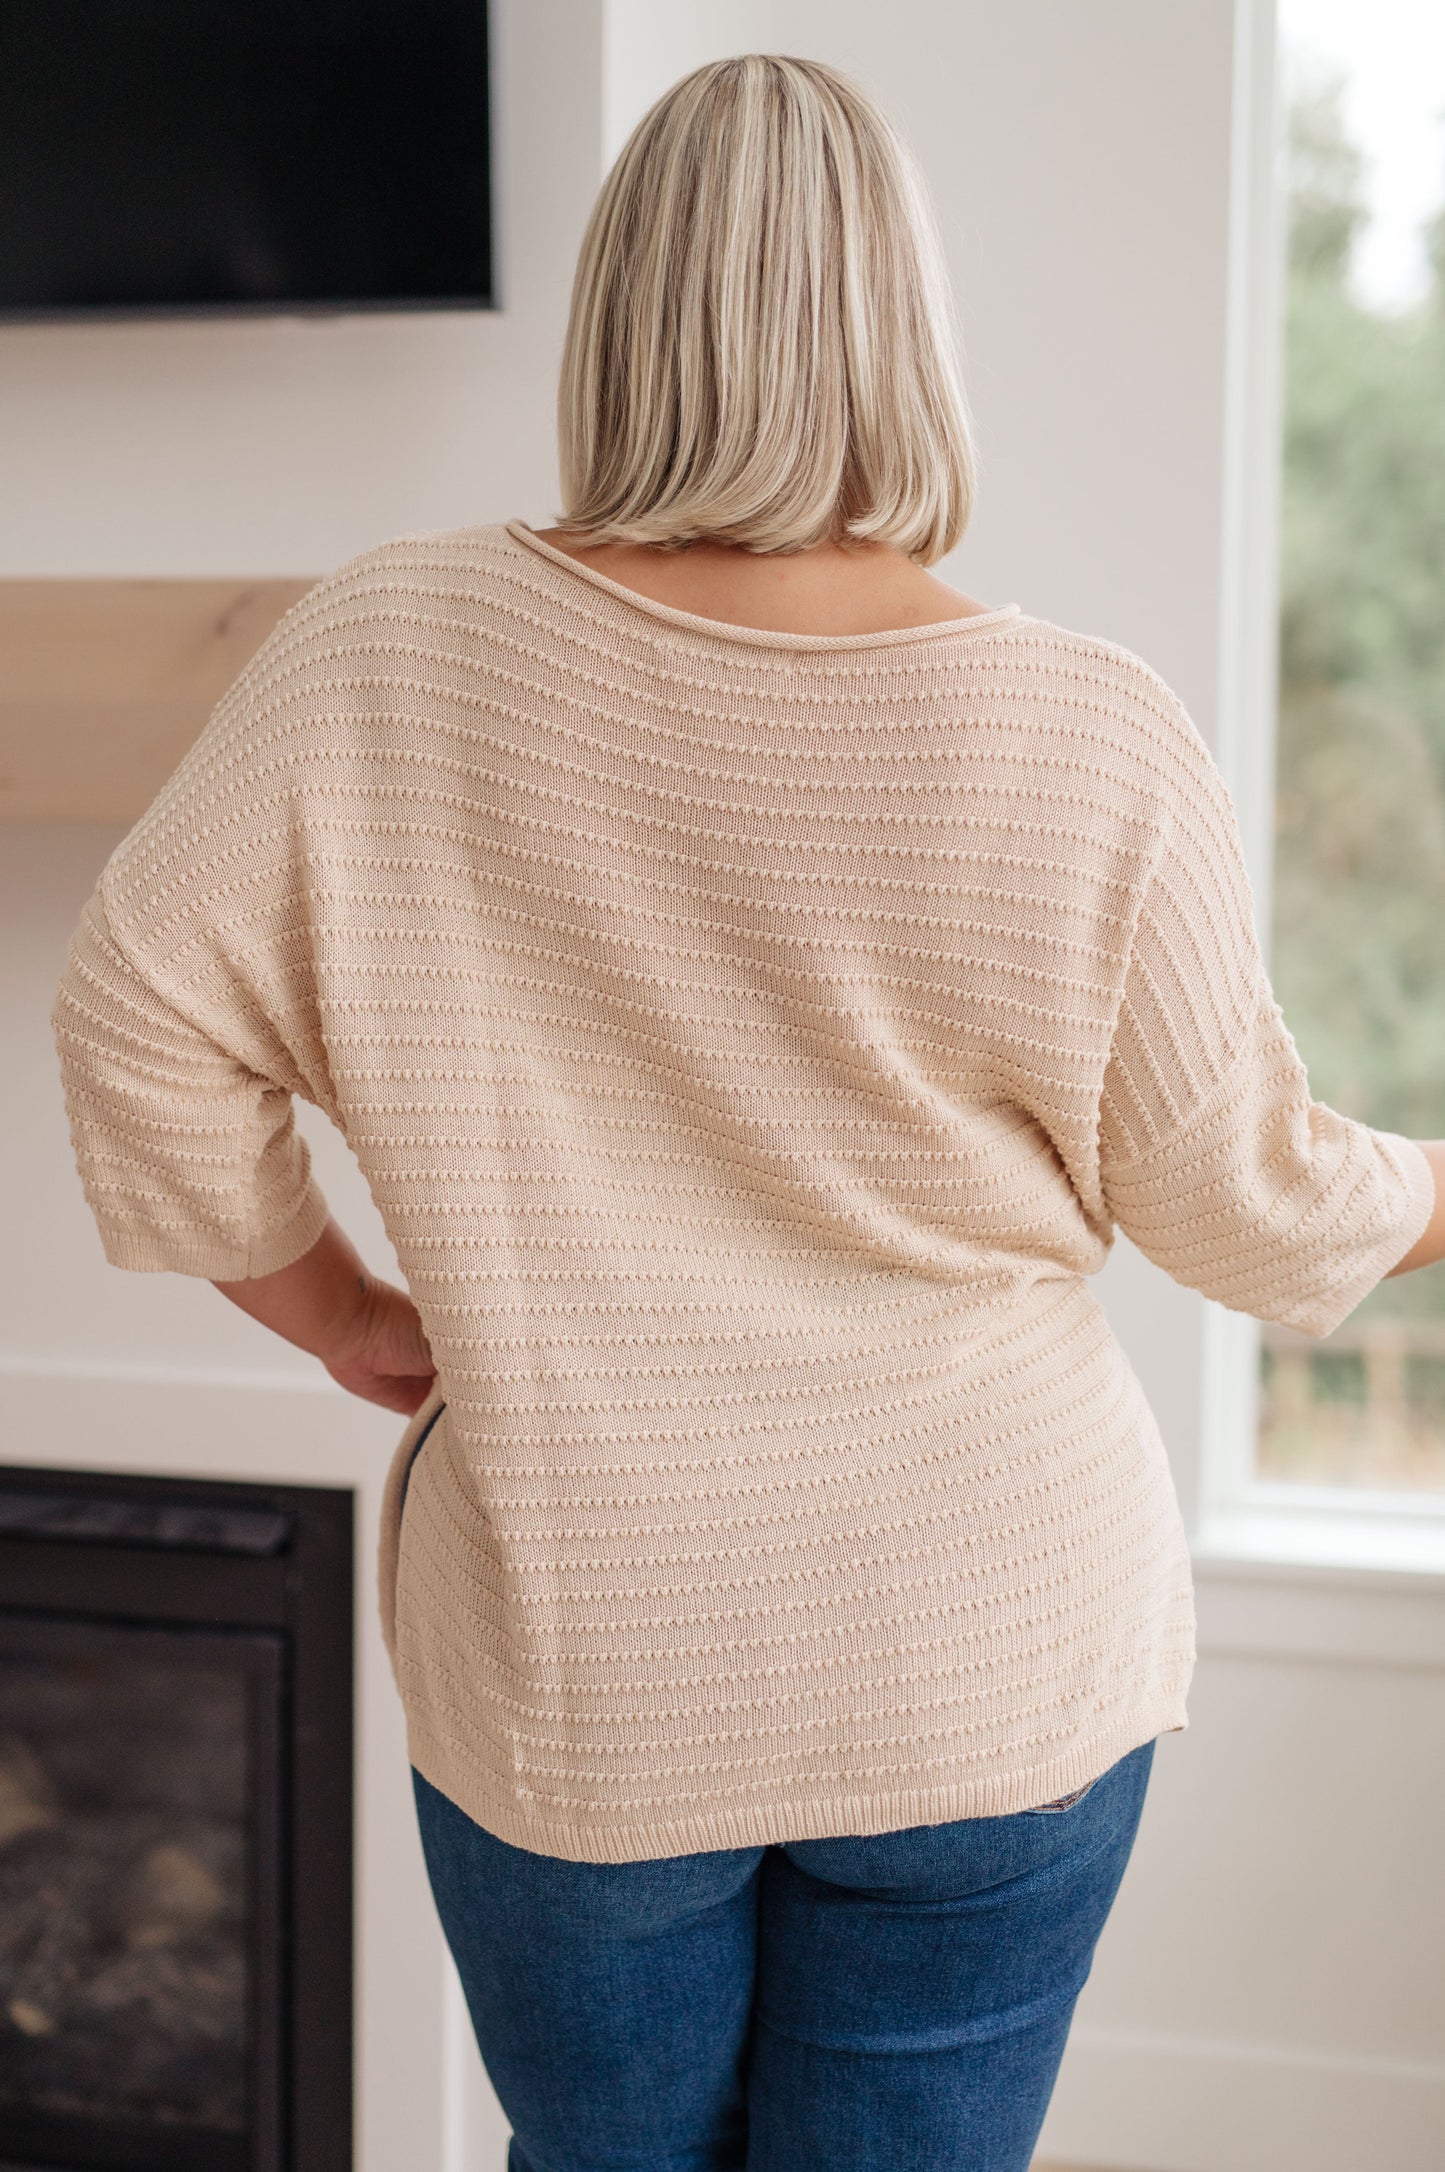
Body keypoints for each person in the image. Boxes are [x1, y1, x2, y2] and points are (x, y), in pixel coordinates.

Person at [51, 52, 1445, 2172]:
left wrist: (335, 1309)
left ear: (622, 316)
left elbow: (138, 1018)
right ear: (906, 327)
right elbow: (1251, 1207)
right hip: (994, 1659)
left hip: (583, 1663)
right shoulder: (1086, 731)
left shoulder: (390, 653)